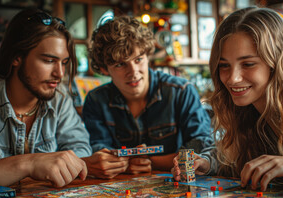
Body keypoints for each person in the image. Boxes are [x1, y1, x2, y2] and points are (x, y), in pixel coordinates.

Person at [172, 6, 283, 192]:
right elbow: (240, 160)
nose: (233, 78)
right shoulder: (245, 107)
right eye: (224, 66)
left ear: (278, 61)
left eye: (248, 64)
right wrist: (207, 163)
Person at [0, 8, 128, 187]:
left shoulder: (59, 98)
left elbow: (80, 149)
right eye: (48, 61)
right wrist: (30, 163)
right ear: (16, 57)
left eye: (64, 63)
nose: (59, 74)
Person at [83, 16, 213, 175]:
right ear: (104, 69)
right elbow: (100, 154)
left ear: (148, 56)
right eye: (120, 64)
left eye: (138, 59)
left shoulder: (181, 91)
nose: (133, 72)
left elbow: (200, 150)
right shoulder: (96, 100)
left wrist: (151, 162)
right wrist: (121, 163)